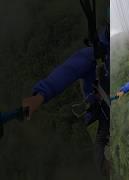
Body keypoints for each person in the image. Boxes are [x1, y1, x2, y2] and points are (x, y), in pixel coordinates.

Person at [21, 28, 110, 176]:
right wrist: (40, 96)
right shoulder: (95, 54)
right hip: (102, 119)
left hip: (118, 111)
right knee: (107, 166)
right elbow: (67, 71)